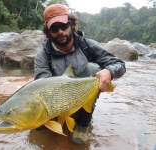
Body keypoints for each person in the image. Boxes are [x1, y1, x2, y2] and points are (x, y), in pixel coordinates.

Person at [34, 3, 126, 144]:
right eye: (54, 28)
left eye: (63, 26)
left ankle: (83, 123)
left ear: (71, 24)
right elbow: (42, 86)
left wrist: (109, 72)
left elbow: (120, 64)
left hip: (83, 103)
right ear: (48, 31)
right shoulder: (43, 55)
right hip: (55, 106)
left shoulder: (87, 46)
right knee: (38, 132)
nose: (60, 31)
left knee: (92, 68)